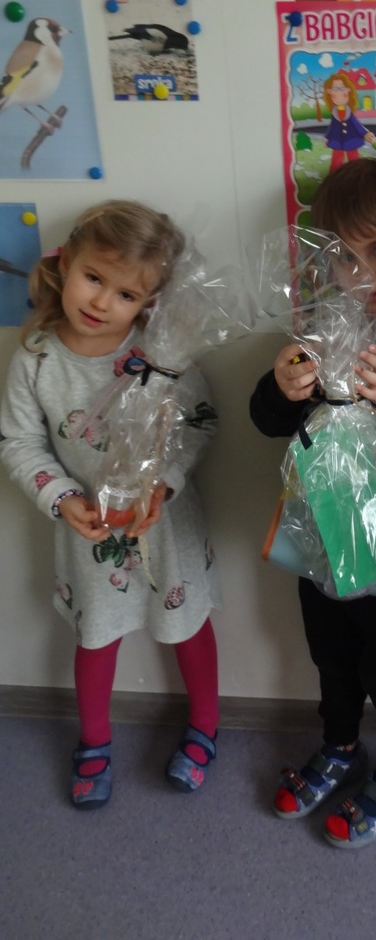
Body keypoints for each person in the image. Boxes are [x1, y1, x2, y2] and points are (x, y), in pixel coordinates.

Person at [249, 160, 376, 847]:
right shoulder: (317, 336)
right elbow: (267, 423)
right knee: (330, 656)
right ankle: (339, 744)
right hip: (321, 537)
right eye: (343, 256)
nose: (362, 272)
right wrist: (281, 388)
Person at [0, 200, 220, 809]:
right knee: (95, 635)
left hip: (164, 522)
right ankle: (94, 739)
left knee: (187, 625)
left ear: (148, 302)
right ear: (66, 263)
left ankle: (206, 724)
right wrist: (60, 496)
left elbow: (200, 421)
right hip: (88, 529)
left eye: (125, 294)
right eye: (93, 277)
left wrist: (164, 483)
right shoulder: (36, 357)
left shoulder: (161, 352)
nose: (101, 302)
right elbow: (17, 441)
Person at [321, 70, 376, 174]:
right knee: (337, 159)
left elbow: (356, 124)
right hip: (337, 139)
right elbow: (332, 127)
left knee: (353, 157)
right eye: (335, 89)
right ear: (330, 92)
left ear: (348, 90)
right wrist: (327, 137)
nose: (340, 93)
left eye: (342, 88)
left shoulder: (349, 112)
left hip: (351, 137)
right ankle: (334, 176)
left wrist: (365, 133)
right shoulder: (334, 112)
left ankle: (357, 175)